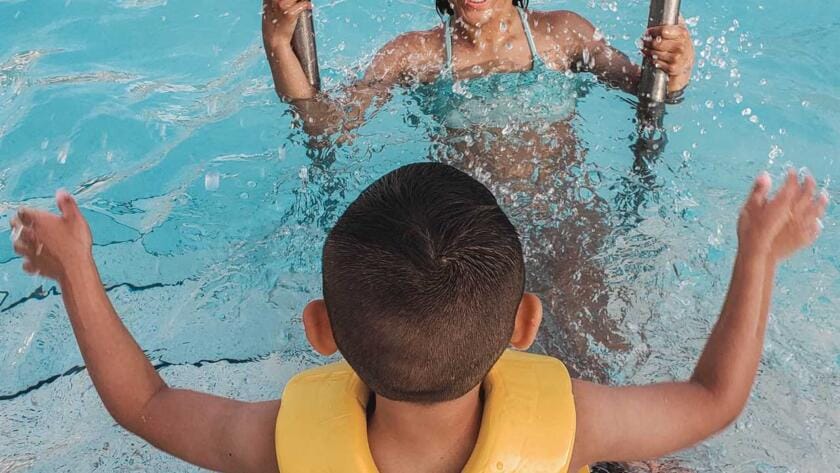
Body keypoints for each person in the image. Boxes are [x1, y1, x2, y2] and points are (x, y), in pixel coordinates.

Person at [10, 163, 827, 472]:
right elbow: (715, 397)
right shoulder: (575, 426)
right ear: (526, 322)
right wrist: (756, 253)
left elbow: (143, 404)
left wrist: (77, 267)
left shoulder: (278, 443)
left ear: (319, 330)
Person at [262, 0, 695, 146]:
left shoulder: (563, 35)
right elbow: (326, 126)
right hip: (465, 229)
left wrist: (674, 73)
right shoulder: (414, 54)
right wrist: (278, 44)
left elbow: (648, 95)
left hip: (562, 219)